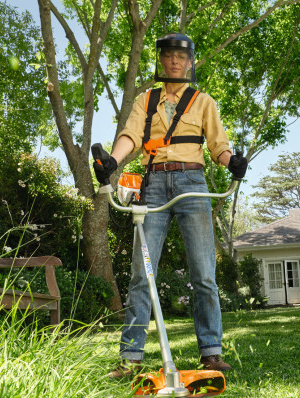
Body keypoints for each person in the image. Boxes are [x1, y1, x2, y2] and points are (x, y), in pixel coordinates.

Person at [93, 33, 248, 379]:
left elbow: (218, 146)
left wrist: (232, 163)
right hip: (154, 184)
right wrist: (112, 162)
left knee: (203, 273)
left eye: (181, 56)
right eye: (168, 55)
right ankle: (130, 358)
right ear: (161, 60)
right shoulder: (146, 100)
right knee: (141, 272)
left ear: (190, 62)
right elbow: (130, 137)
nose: (175, 61)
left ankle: (211, 353)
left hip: (192, 183)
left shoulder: (204, 102)